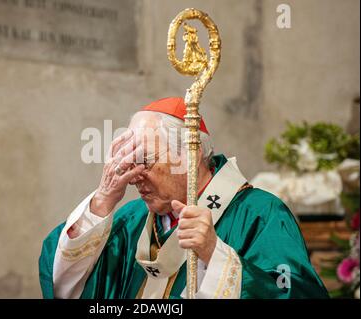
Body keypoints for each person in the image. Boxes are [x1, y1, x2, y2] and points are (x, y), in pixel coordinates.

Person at [39, 97, 329, 299]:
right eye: (128, 162)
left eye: (145, 160)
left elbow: (298, 293)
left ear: (190, 154)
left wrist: (215, 256)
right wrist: (102, 202)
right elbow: (61, 282)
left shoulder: (261, 214)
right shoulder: (130, 220)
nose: (135, 175)